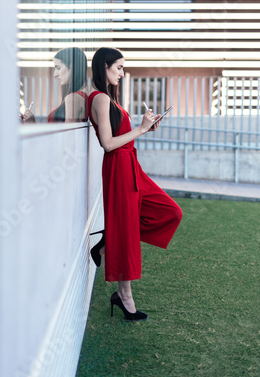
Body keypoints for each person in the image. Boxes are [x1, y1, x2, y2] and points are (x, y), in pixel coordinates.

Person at [88, 47, 183, 321]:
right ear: (104, 67)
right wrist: (140, 129)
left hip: (131, 165)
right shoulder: (99, 99)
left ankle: (110, 239)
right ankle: (124, 296)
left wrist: (145, 128)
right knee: (126, 232)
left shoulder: (111, 100)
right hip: (118, 167)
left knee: (171, 211)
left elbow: (121, 137)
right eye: (118, 67)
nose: (121, 72)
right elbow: (107, 144)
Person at [21, 47, 88, 123]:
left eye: (58, 68)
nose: (55, 74)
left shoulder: (72, 98)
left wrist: (31, 124)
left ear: (71, 66)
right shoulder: (83, 95)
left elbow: (67, 134)